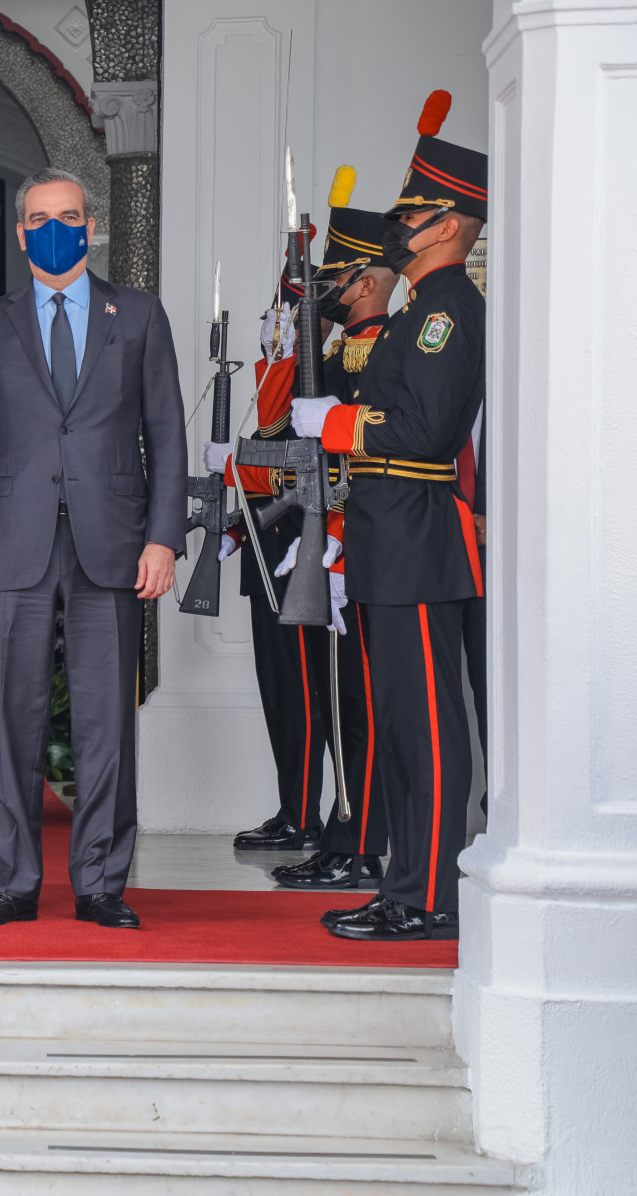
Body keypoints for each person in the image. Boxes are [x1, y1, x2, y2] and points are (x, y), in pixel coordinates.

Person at [0, 166, 187, 931]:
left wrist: (164, 537)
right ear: (21, 234)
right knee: (13, 718)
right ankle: (15, 883)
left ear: (91, 226)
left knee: (106, 720)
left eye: (70, 217)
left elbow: (167, 434)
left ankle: (101, 883)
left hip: (112, 542)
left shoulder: (137, 315)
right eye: (41, 219)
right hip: (10, 546)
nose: (57, 229)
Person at [293, 92, 486, 942]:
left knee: (427, 727)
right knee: (401, 730)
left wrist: (337, 424)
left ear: (449, 225)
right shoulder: (416, 312)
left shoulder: (446, 313)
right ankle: (406, 883)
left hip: (417, 535)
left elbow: (426, 431)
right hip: (387, 535)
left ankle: (431, 894)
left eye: (411, 215)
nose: (398, 228)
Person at [268, 185, 401, 893]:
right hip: (339, 544)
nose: (328, 290)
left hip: (365, 549)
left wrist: (338, 537)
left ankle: (361, 842)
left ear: (368, 280)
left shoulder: (383, 349)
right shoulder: (343, 351)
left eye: (339, 278)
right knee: (342, 701)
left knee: (362, 708)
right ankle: (344, 834)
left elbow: (376, 461)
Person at [215, 262, 333, 854]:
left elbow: (298, 473)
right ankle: (294, 809)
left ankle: (310, 815)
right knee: (279, 691)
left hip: (302, 560)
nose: (273, 328)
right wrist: (238, 527)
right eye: (271, 317)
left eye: (285, 318)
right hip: (266, 557)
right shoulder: (272, 387)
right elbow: (267, 475)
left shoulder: (320, 382)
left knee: (306, 693)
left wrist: (234, 465)